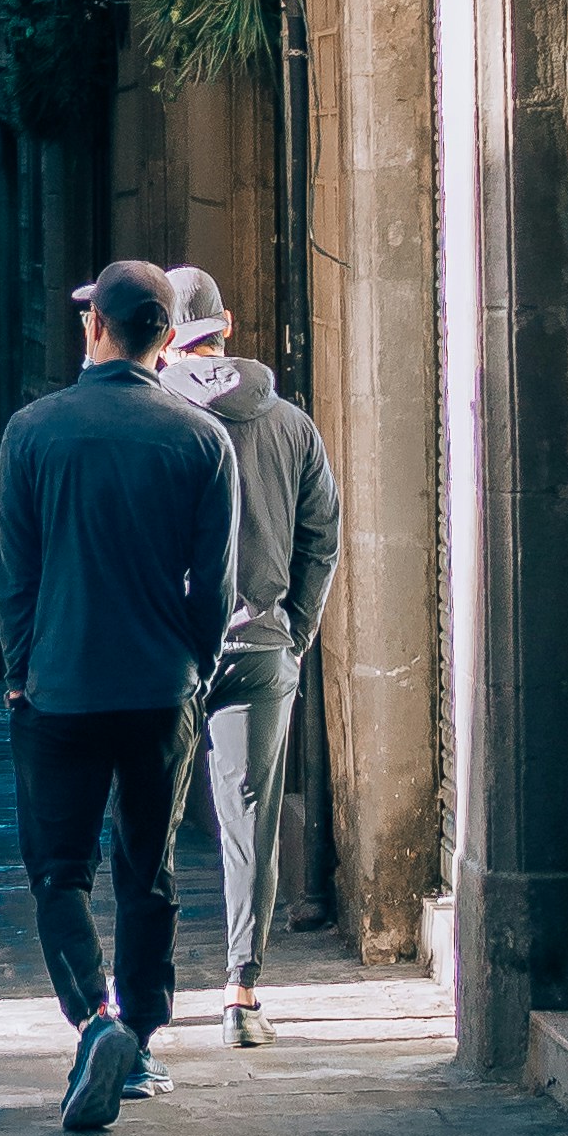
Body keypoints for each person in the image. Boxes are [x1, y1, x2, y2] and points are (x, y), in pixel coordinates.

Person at [0, 257, 240, 1136]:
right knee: (150, 871)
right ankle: (137, 1039)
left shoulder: (31, 432)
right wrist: (197, 665)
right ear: (167, 339)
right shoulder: (201, 441)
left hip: (57, 688)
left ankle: (93, 1022)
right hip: (156, 688)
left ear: (95, 326)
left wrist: (19, 669)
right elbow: (212, 589)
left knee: (60, 874)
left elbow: (12, 575)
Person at [162, 266, 341, 1046]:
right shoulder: (291, 422)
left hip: (168, 650)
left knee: (147, 819)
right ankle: (239, 993)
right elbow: (322, 539)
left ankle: (140, 999)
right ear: (225, 327)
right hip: (261, 645)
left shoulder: (155, 414)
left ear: (164, 335)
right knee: (250, 822)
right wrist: (292, 631)